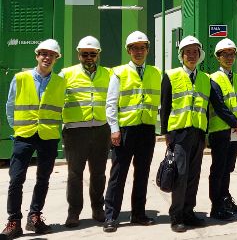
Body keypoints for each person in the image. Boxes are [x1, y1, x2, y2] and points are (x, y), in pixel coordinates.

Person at [160, 35, 232, 232]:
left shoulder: (204, 79)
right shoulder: (171, 76)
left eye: (195, 52)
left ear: (199, 55)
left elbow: (215, 106)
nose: (191, 55)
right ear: (181, 55)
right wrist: (166, 133)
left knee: (193, 176)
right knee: (180, 175)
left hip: (199, 134)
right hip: (179, 133)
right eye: (187, 52)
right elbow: (165, 106)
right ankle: (176, 217)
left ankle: (189, 212)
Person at [3, 39, 64, 239]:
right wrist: (18, 127)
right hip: (24, 135)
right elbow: (10, 106)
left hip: (48, 136)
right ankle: (14, 221)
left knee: (43, 179)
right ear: (37, 56)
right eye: (44, 54)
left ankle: (34, 217)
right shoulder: (20, 78)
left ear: (56, 58)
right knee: (16, 179)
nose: (47, 58)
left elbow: (62, 108)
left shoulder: (60, 82)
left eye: (51, 55)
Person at [103, 31, 159, 232]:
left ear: (147, 50)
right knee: (118, 174)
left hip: (146, 129)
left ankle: (138, 214)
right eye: (134, 48)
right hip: (125, 131)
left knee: (142, 174)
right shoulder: (118, 73)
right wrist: (114, 129)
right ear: (128, 50)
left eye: (142, 47)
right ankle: (111, 216)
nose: (138, 51)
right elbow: (110, 104)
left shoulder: (155, 73)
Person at [60, 36, 111, 228]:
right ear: (78, 54)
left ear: (98, 55)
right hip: (75, 131)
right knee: (75, 174)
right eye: (84, 54)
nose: (88, 57)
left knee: (98, 173)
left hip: (100, 129)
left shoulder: (109, 74)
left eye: (92, 54)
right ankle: (73, 212)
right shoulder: (66, 74)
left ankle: (98, 209)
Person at [207, 39, 237, 220]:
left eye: (232, 54)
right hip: (220, 131)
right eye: (225, 54)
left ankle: (225, 199)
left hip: (236, 131)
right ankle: (216, 206)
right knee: (218, 169)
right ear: (218, 57)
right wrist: (235, 123)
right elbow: (219, 106)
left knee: (228, 168)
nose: (229, 57)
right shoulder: (213, 79)